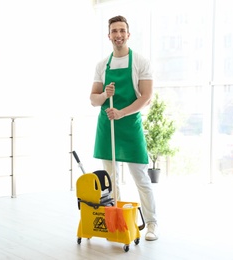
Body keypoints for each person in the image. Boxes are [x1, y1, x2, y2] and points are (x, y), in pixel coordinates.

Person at [90, 15, 158, 241]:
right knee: (110, 178)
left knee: (140, 176)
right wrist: (104, 95)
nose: (118, 35)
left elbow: (146, 98)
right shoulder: (102, 65)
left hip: (129, 124)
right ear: (108, 36)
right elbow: (93, 99)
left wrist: (121, 112)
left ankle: (151, 224)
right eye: (114, 31)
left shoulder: (140, 61)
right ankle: (114, 223)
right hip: (107, 125)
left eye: (122, 31)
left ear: (128, 34)